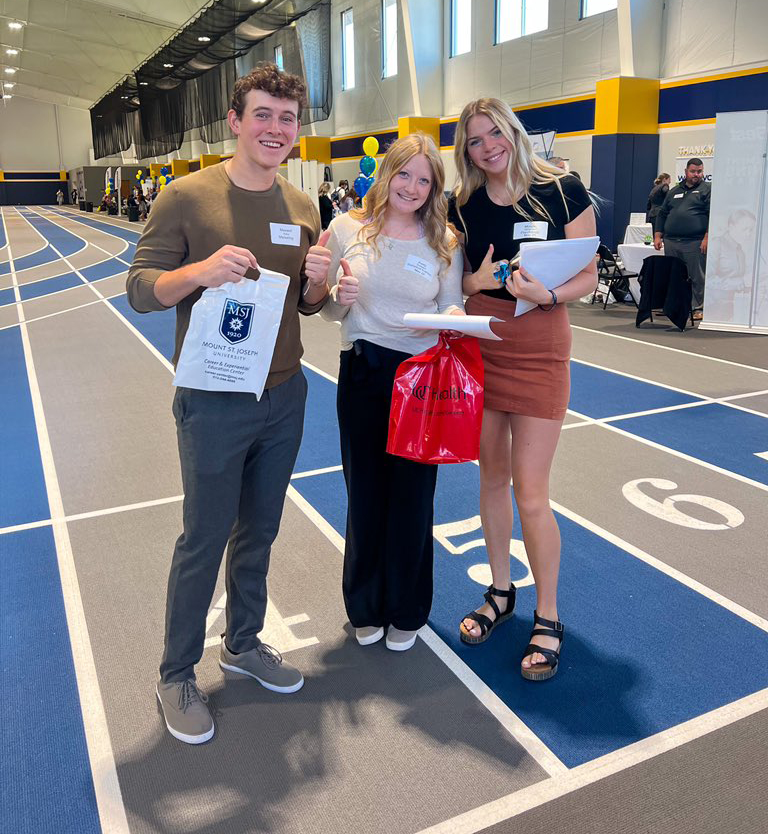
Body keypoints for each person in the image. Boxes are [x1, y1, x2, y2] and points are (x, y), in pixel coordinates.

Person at [126, 63, 332, 744]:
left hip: (284, 393)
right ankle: (175, 673)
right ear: (236, 123)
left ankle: (243, 644)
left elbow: (307, 301)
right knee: (204, 538)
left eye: (288, 119)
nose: (276, 130)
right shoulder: (187, 196)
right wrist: (198, 273)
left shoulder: (303, 206)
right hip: (213, 400)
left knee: (261, 529)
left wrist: (321, 285)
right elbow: (139, 287)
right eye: (264, 116)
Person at [448, 97, 597, 681]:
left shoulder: (562, 188)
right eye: (475, 141)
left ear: (512, 132)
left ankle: (549, 615)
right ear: (466, 150)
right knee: (490, 479)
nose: (488, 147)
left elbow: (588, 268)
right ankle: (502, 592)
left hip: (539, 350)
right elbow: (456, 278)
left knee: (532, 493)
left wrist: (550, 297)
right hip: (483, 344)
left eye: (495, 134)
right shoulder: (461, 205)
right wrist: (473, 279)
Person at [322, 134, 464, 652]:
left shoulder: (445, 241)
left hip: (421, 378)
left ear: (434, 188)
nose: (412, 187)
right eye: (405, 174)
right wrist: (339, 298)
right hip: (363, 369)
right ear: (386, 173)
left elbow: (451, 308)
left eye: (424, 179)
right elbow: (329, 309)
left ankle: (407, 607)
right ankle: (365, 603)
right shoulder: (346, 228)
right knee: (364, 491)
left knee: (413, 494)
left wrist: (454, 317)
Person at [653, 158, 710, 320]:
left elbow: (713, 215)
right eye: (693, 171)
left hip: (695, 242)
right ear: (686, 172)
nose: (696, 175)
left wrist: (707, 237)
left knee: (696, 277)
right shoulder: (674, 191)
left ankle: (697, 308)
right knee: (673, 275)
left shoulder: (707, 190)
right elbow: (662, 213)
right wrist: (658, 235)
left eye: (699, 171)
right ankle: (673, 305)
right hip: (671, 241)